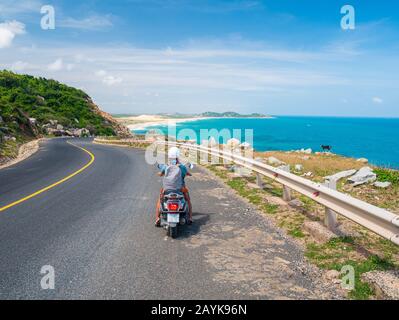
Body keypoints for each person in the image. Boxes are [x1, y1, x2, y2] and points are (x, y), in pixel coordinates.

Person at [155, 147, 193, 227]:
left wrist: (160, 174)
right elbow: (187, 173)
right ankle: (190, 218)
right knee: (188, 200)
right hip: (180, 189)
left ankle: (157, 218)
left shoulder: (166, 166)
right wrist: (188, 174)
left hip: (167, 189)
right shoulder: (182, 167)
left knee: (160, 199)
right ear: (178, 157)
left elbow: (161, 173)